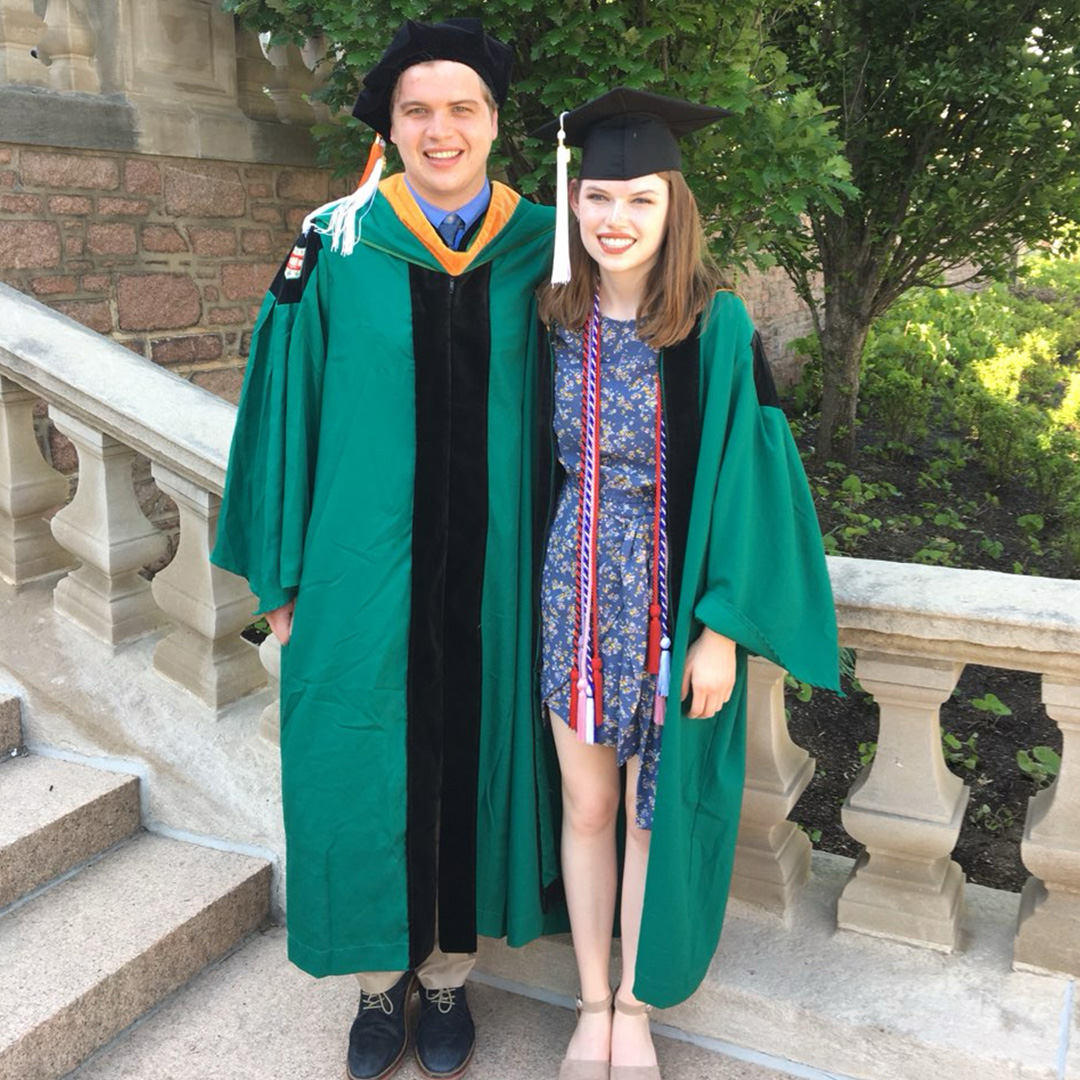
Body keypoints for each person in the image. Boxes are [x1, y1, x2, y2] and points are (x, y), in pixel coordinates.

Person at [211, 20, 564, 1080]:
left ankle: (451, 973)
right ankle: (376, 988)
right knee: (357, 763)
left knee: (482, 757)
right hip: (366, 573)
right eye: (418, 109)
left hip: (499, 582)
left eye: (463, 107)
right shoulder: (336, 242)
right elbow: (282, 416)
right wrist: (282, 582)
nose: (441, 128)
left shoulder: (549, 248)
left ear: (497, 122)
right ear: (390, 124)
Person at [532, 89, 840, 1080]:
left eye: (639, 200)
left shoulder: (716, 327)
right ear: (573, 205)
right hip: (573, 588)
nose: (614, 218)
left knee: (649, 812)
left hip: (672, 604)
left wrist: (722, 628)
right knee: (585, 807)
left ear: (674, 211)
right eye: (597, 198)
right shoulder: (548, 317)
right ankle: (589, 1000)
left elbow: (758, 484)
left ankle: (637, 1006)